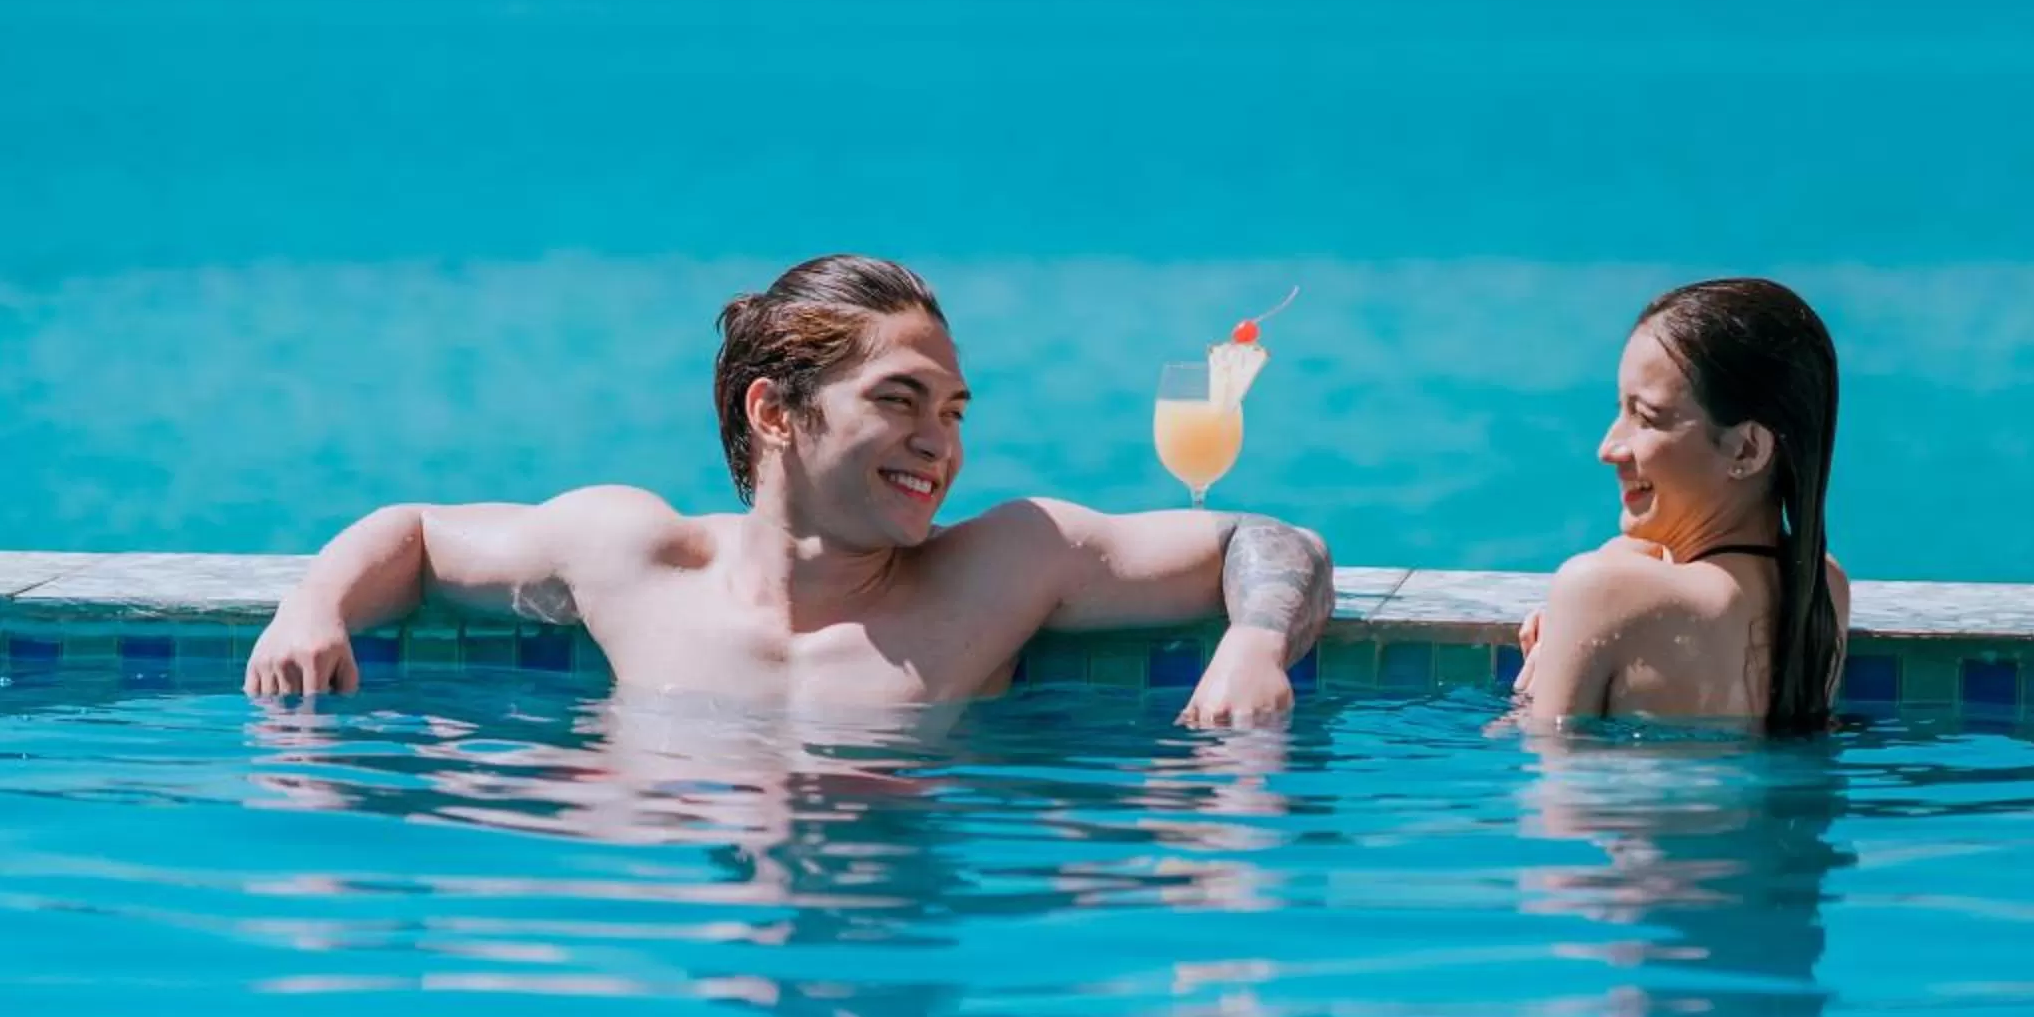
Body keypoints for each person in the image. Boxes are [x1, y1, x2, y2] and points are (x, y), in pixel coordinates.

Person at [244, 254, 1331, 723]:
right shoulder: (631, 554)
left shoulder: (1003, 566)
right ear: (774, 411)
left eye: (954, 410)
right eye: (900, 400)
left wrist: (1251, 644)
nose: (939, 444)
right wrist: (314, 607)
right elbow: (419, 532)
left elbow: (1270, 541)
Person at [1515, 278, 1848, 728]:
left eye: (1646, 418)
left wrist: (1543, 667)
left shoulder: (1600, 594)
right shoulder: (1822, 589)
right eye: (1620, 411)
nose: (1609, 447)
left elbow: (1555, 788)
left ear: (1747, 449)